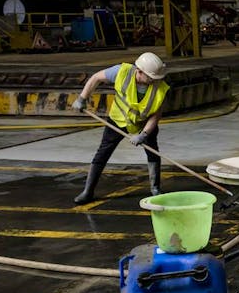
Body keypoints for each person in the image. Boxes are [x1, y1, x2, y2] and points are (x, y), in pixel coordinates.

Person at [71, 52, 169, 205]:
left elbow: (155, 116)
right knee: (103, 152)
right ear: (139, 71)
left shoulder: (160, 88)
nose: (153, 80)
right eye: (150, 77)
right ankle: (88, 191)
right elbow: (96, 77)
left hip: (143, 123)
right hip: (118, 119)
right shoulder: (121, 72)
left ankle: (155, 188)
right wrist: (82, 98)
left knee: (152, 151)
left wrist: (143, 134)